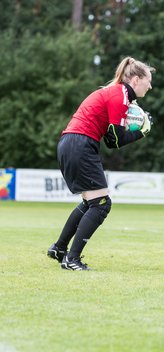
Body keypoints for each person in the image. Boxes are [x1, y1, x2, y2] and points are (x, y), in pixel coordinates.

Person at [47, 56, 155, 271]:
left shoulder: (116, 93)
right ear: (135, 80)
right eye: (148, 80)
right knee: (102, 204)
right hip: (80, 143)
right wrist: (142, 131)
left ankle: (59, 249)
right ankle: (72, 259)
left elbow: (109, 137)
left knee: (91, 203)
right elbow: (115, 140)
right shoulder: (120, 95)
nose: (150, 86)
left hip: (71, 142)